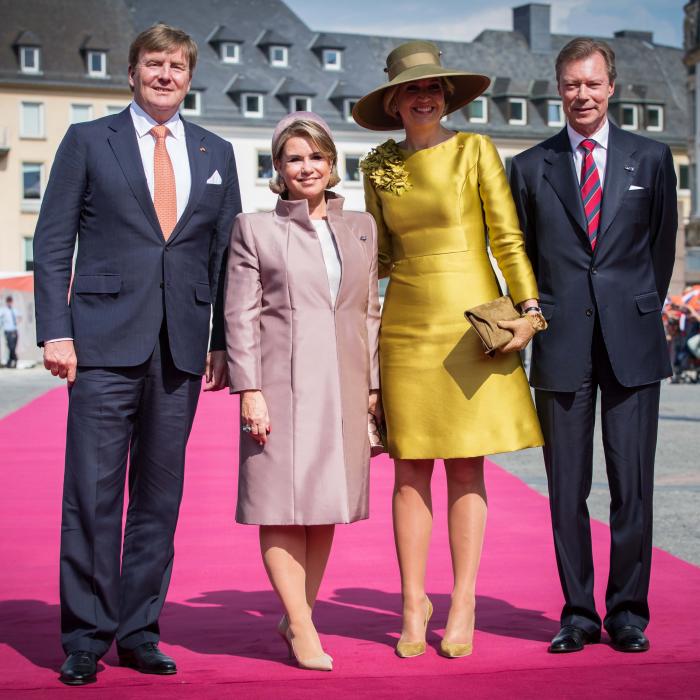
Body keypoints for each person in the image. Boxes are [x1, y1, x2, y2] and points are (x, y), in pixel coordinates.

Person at [33, 24, 241, 685]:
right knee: (92, 496)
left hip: (178, 348)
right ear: (131, 73)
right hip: (100, 342)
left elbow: (223, 257)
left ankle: (139, 631)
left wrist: (219, 345)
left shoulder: (217, 150)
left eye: (178, 66)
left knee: (159, 497)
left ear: (189, 77)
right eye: (155, 63)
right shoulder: (88, 141)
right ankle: (87, 637)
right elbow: (52, 240)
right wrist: (55, 331)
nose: (166, 74)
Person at [353, 42, 546, 659]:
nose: (425, 96)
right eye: (411, 88)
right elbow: (375, 256)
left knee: (466, 464)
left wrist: (530, 309)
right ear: (393, 100)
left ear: (447, 96)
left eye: (434, 87)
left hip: (472, 322)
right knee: (409, 466)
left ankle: (462, 600)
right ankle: (414, 602)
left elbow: (508, 238)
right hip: (407, 323)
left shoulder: (475, 150)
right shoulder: (376, 165)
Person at [510, 38, 677, 654]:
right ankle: (578, 613)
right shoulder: (530, 166)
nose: (581, 94)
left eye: (592, 83)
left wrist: (633, 304)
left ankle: (628, 612)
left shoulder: (652, 158)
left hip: (632, 339)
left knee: (632, 484)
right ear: (559, 89)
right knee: (566, 488)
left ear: (612, 87)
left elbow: (660, 249)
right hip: (561, 342)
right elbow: (521, 253)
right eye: (570, 84)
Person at [224, 112, 380, 671]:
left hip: (344, 382)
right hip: (281, 385)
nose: (306, 167)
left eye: (316, 156)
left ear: (333, 163)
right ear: (278, 169)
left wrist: (374, 387)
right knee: (280, 504)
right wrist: (250, 389)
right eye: (294, 158)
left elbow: (368, 312)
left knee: (323, 507)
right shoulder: (255, 228)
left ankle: (297, 615)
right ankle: (304, 626)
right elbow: (239, 316)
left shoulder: (362, 226)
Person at [0, 296, 20, 368]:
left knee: (13, 348)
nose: (10, 303)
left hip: (14, 331)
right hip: (8, 331)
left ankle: (10, 362)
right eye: (8, 301)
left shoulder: (14, 310)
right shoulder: (3, 310)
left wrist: (18, 321)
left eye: (10, 301)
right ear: (6, 302)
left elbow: (19, 317)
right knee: (10, 347)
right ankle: (14, 359)